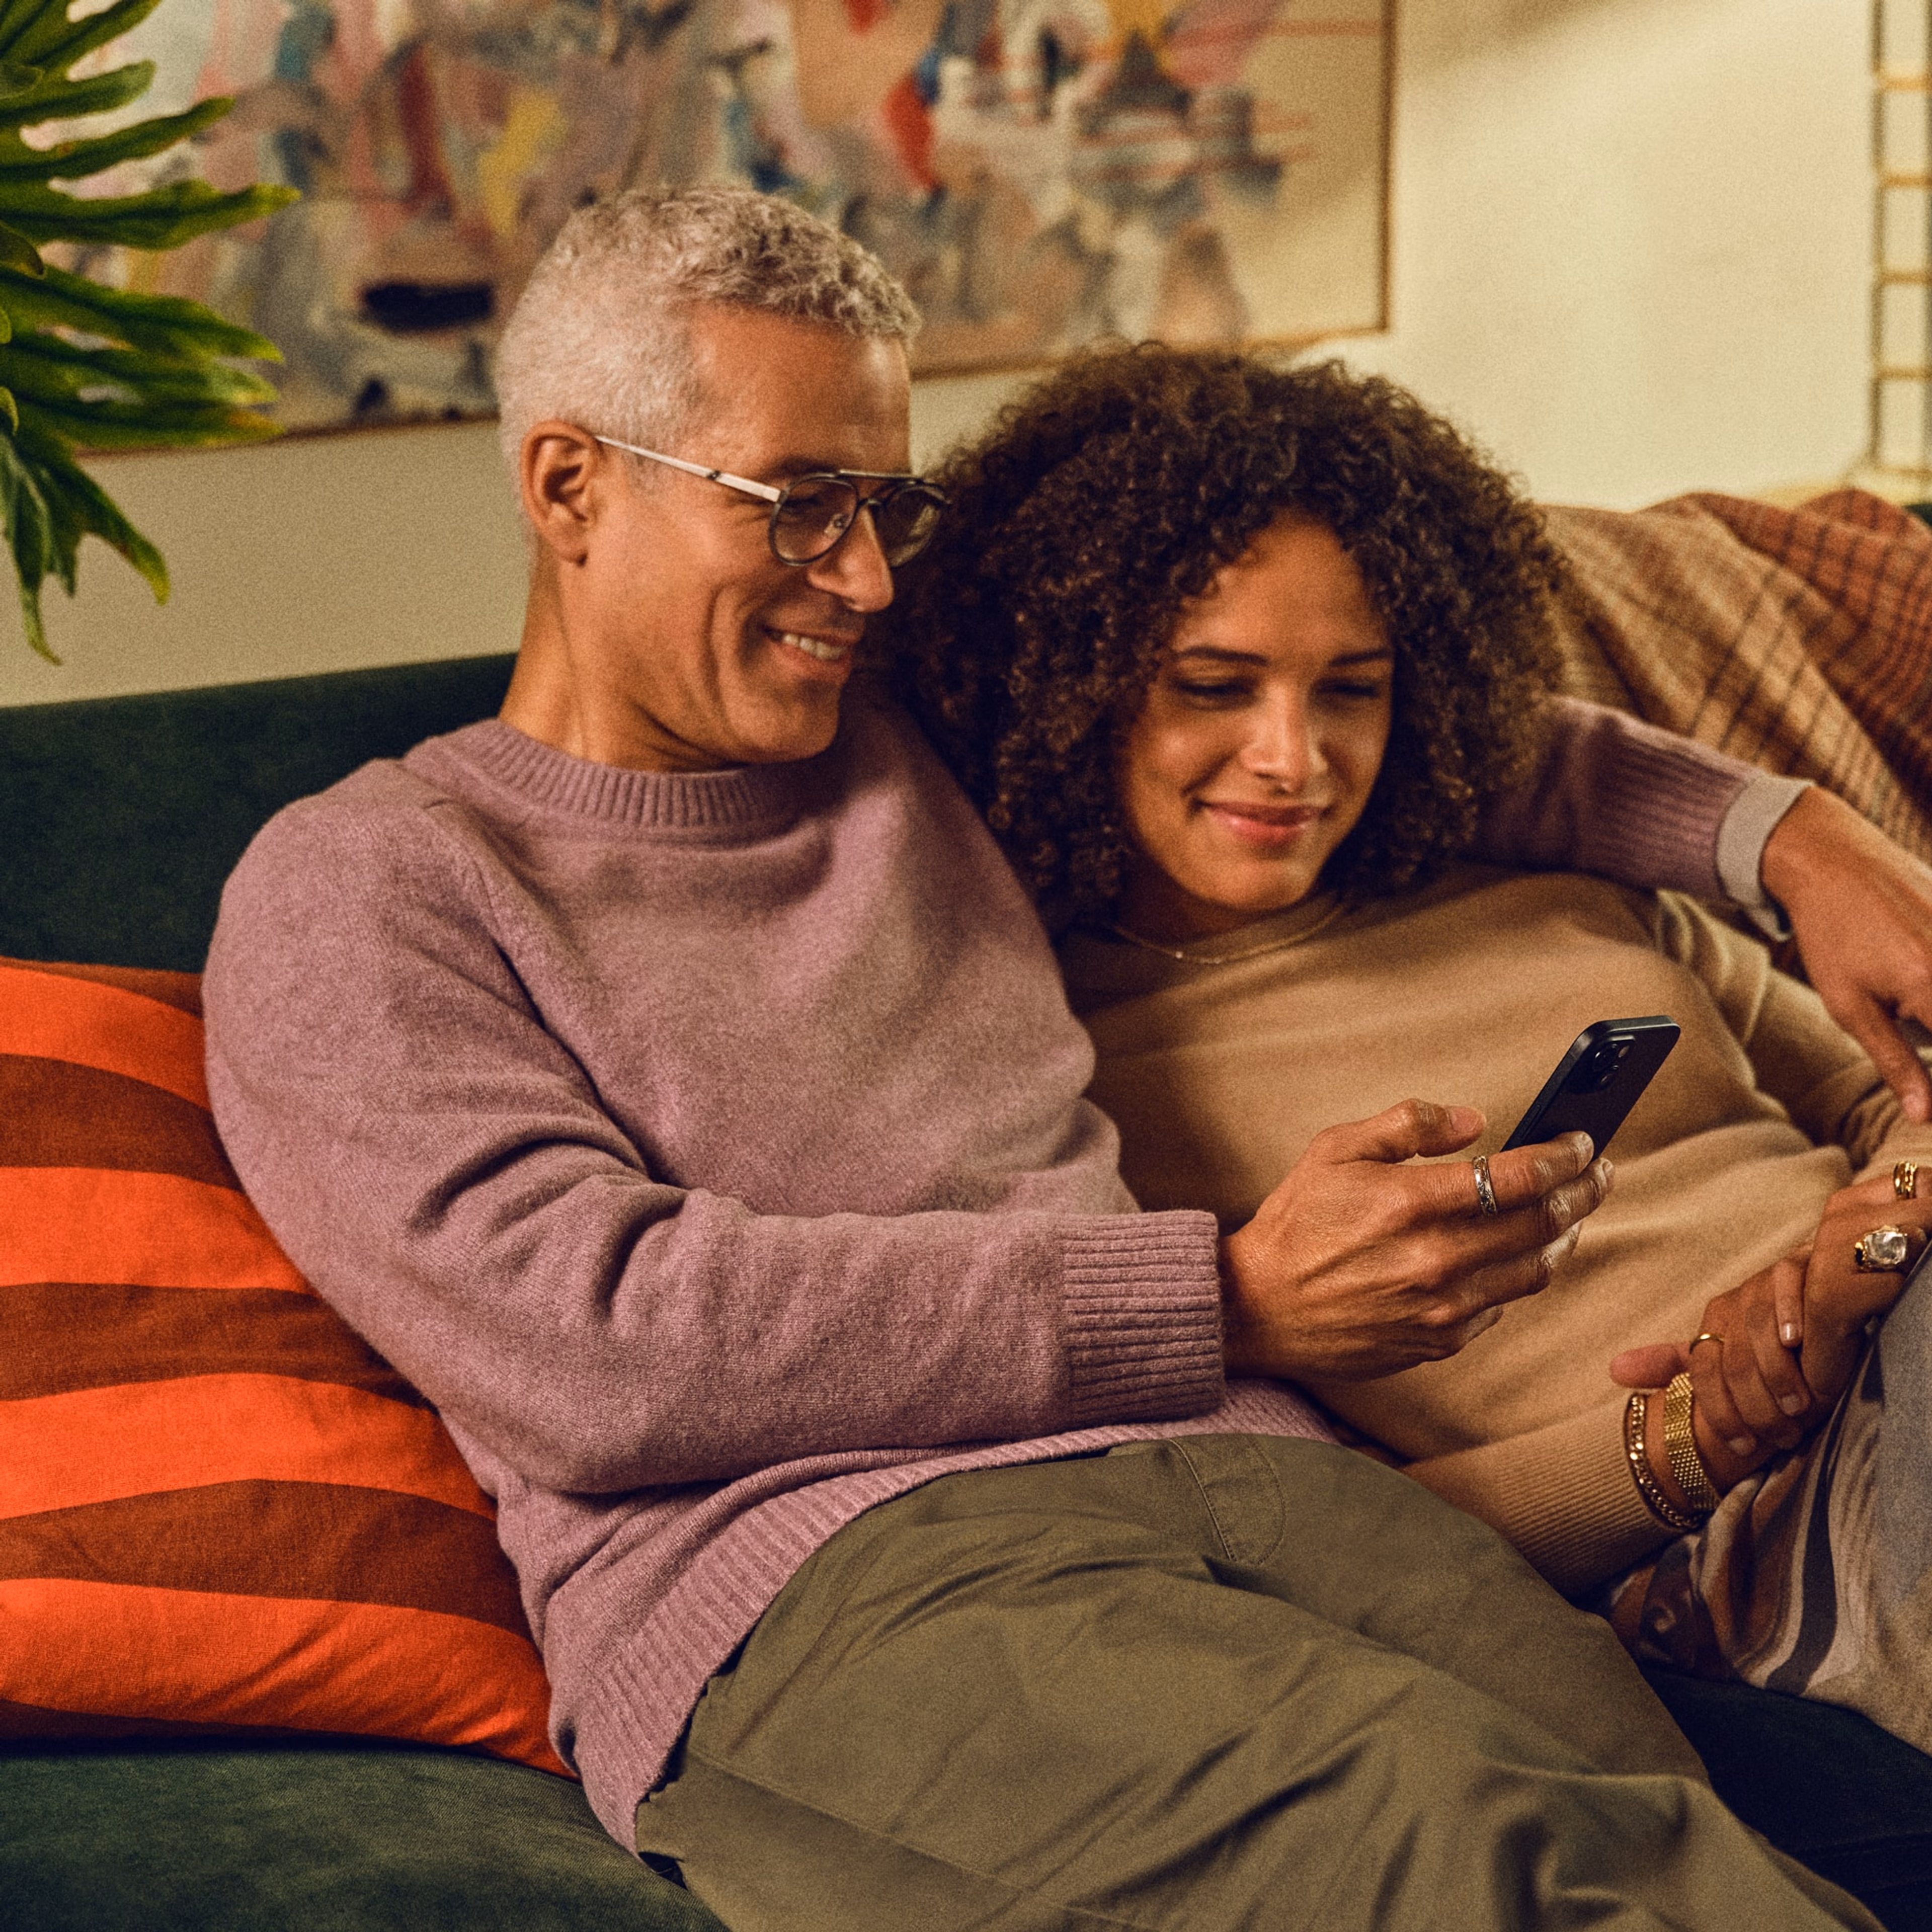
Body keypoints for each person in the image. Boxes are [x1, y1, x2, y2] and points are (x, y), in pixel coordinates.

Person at [202, 187, 1920, 1930]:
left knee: (1685, 1856)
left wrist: (1793, 845)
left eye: (888, 507)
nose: (865, 578)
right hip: (839, 1569)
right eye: (801, 508)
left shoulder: (910, 718)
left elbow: (1419, 734)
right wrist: (1221, 1303)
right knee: (1473, 1851)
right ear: (570, 484)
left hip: (1285, 1491)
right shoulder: (368, 884)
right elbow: (599, 1345)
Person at [886, 342, 1932, 1754]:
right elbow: (1320, 1532)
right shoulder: (1068, 1083)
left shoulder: (1554, 880)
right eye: (1215, 686)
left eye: (1348, 689)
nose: (1292, 758)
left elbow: (1886, 1098)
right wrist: (1694, 1436)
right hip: (1759, 1524)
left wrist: (1878, 1234)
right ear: (1068, 682)